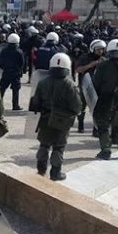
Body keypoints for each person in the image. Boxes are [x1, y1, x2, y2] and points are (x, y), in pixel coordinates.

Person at [32, 53, 81, 181]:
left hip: (45, 119)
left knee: (44, 145)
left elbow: (35, 103)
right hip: (62, 121)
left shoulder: (42, 82)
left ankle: (41, 170)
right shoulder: (70, 84)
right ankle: (55, 173)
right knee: (59, 147)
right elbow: (77, 106)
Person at [75, 40, 106, 134]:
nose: (100, 51)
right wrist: (90, 65)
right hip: (85, 86)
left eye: (102, 49)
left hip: (98, 88)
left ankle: (95, 129)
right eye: (98, 49)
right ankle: (80, 125)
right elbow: (78, 69)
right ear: (93, 49)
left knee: (97, 109)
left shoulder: (104, 59)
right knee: (81, 107)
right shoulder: (84, 57)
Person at [0, 33, 25, 110]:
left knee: (2, 89)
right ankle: (15, 105)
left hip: (6, 72)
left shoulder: (4, 50)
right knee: (15, 90)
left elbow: (0, 62)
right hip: (15, 73)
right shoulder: (19, 51)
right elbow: (22, 63)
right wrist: (21, 71)